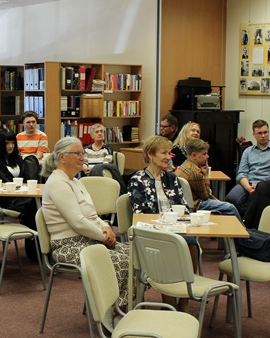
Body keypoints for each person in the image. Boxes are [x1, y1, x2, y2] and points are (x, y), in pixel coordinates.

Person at [42, 137, 131, 320]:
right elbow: (78, 222)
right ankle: (114, 313)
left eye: (83, 153)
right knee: (120, 260)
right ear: (62, 157)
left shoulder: (75, 181)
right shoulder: (58, 183)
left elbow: (91, 216)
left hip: (86, 239)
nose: (82, 157)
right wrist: (103, 236)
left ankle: (122, 309)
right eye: (77, 153)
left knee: (132, 255)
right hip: (66, 246)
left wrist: (106, 227)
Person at [128, 136, 201, 284]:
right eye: (164, 153)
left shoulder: (172, 179)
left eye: (169, 153)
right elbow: (140, 214)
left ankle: (185, 297)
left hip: (175, 228)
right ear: (150, 154)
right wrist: (163, 223)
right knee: (169, 245)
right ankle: (169, 300)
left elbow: (185, 207)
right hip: (151, 231)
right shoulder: (137, 180)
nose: (168, 157)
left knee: (191, 244)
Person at [226, 119, 270, 229]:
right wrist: (249, 188)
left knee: (261, 187)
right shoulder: (248, 151)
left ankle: (246, 223)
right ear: (254, 134)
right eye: (260, 133)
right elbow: (241, 173)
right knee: (232, 197)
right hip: (250, 183)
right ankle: (247, 226)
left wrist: (258, 186)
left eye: (266, 132)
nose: (263, 135)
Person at [175, 138, 240, 217]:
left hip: (186, 203)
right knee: (230, 208)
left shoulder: (183, 165)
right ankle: (243, 229)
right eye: (204, 154)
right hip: (197, 204)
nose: (207, 156)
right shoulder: (195, 173)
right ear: (194, 155)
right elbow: (206, 196)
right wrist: (206, 177)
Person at [0, 130, 39, 229]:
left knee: (37, 201)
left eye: (13, 143)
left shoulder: (18, 159)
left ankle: (34, 238)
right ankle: (34, 239)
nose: (10, 146)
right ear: (2, 144)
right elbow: (0, 180)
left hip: (21, 195)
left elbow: (25, 178)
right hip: (5, 198)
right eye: (7, 143)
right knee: (33, 204)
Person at [82, 123, 127, 193]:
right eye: (97, 132)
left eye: (101, 131)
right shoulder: (86, 149)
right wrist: (84, 168)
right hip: (87, 174)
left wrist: (93, 169)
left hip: (102, 175)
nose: (100, 133)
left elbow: (105, 164)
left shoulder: (107, 149)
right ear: (92, 136)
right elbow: (84, 162)